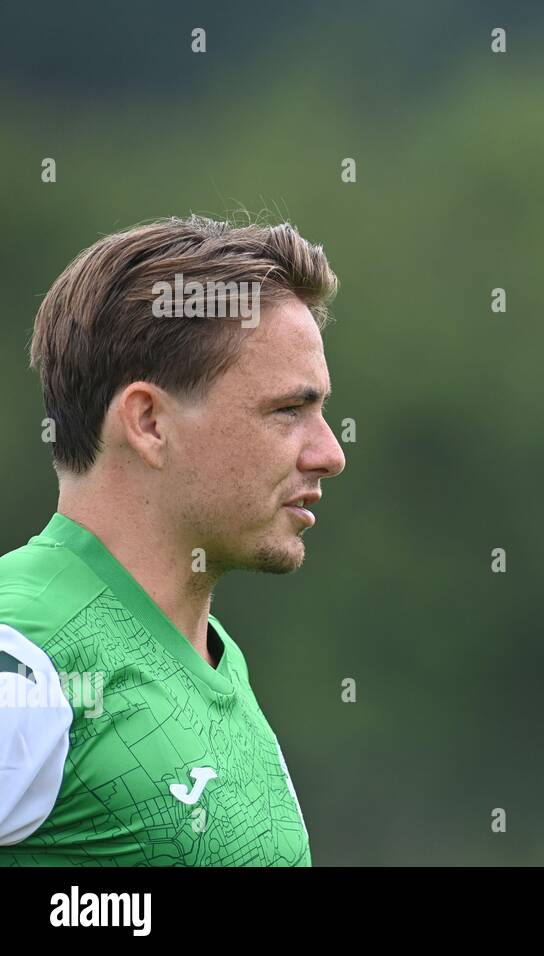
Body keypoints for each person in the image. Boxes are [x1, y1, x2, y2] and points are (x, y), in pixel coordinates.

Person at [0, 216, 346, 865]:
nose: (329, 454)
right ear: (150, 422)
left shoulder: (218, 664)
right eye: (287, 411)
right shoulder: (24, 648)